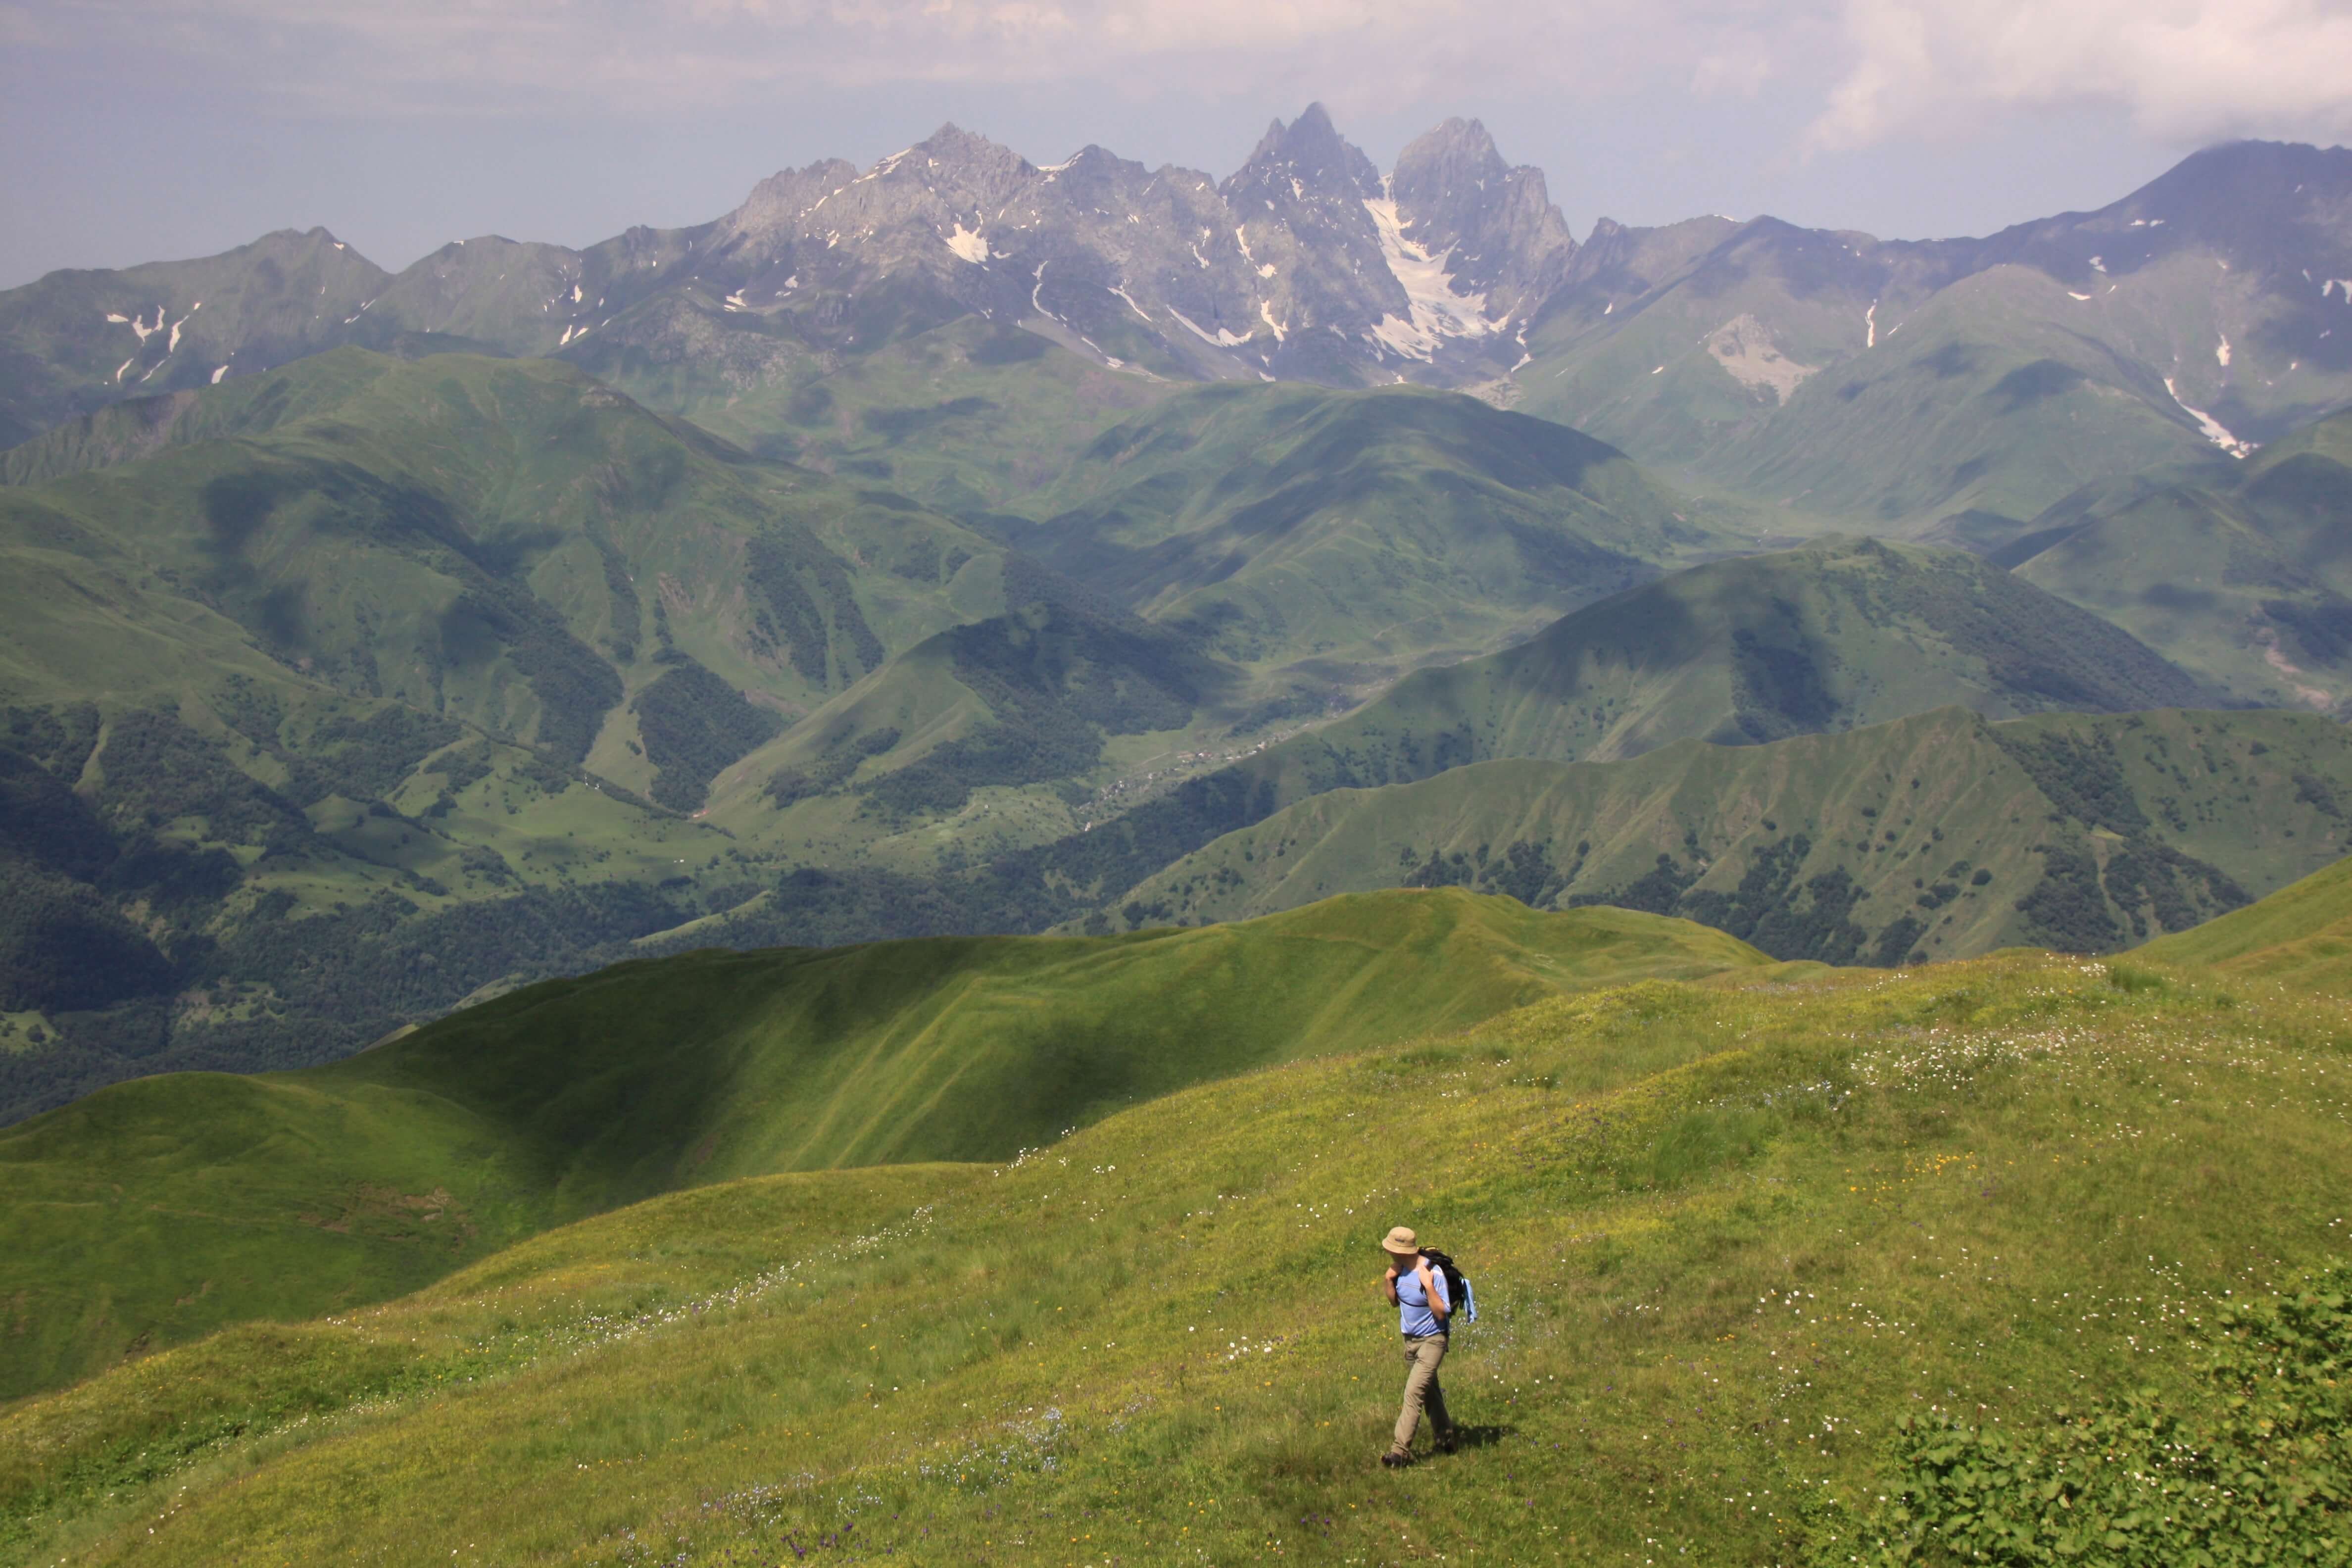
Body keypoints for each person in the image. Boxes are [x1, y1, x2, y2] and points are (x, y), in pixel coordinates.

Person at [1377, 1225, 1456, 1466]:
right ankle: (1447, 1440)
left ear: (1401, 1250)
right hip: (1411, 1343)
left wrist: (1429, 1285)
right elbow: (1394, 1304)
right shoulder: (1399, 1270)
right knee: (1430, 1394)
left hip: (1433, 1341)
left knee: (1413, 1393)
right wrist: (1389, 1281)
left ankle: (1399, 1453)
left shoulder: (1432, 1273)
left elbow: (1441, 1313)